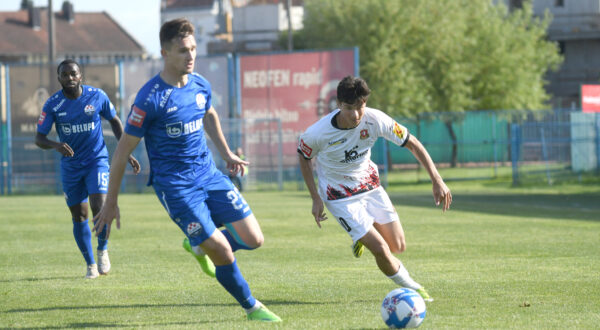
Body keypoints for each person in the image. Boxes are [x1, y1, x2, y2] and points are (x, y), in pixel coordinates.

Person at [92, 18, 281, 322]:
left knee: (254, 239)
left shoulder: (200, 84)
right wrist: (111, 201)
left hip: (209, 175)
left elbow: (210, 116)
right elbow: (122, 153)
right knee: (221, 249)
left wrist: (227, 153)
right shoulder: (149, 99)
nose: (190, 56)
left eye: (193, 49)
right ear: (165, 53)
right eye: (183, 51)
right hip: (176, 187)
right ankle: (251, 307)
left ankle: (197, 245)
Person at [297, 76, 452, 302]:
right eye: (350, 108)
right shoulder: (317, 133)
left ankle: (360, 236)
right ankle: (413, 289)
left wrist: (436, 179)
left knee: (397, 246)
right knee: (380, 249)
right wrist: (315, 198)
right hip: (339, 197)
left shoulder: (376, 119)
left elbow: (412, 142)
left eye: (360, 106)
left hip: (370, 187)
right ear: (339, 105)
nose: (356, 114)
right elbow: (304, 157)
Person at [35, 59, 140, 279]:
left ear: (80, 75)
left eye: (73, 74)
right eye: (65, 75)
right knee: (78, 215)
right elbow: (39, 138)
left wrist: (125, 151)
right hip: (71, 166)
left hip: (96, 160)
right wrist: (56, 145)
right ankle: (90, 263)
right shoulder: (53, 104)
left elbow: (115, 121)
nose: (70, 78)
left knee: (99, 205)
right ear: (59, 78)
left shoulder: (97, 96)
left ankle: (102, 249)